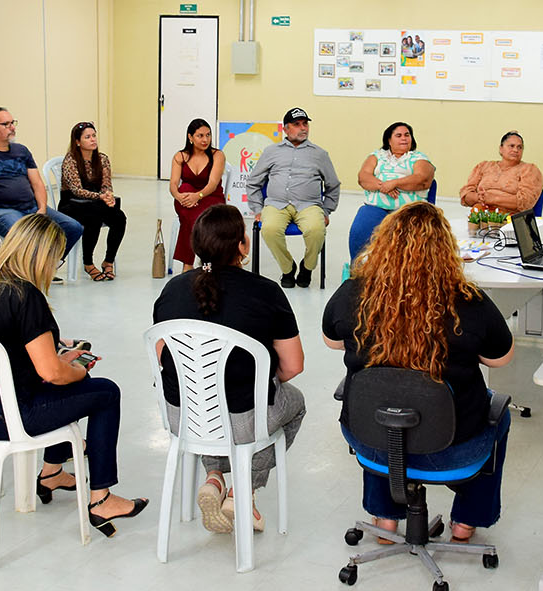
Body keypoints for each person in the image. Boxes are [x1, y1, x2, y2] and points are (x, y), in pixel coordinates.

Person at [322, 202, 514, 544]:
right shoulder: (469, 302)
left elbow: (332, 341)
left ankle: (384, 519)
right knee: (499, 414)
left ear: (381, 245)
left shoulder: (354, 293)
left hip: (370, 443)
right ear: (446, 251)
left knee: (383, 401)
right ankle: (467, 521)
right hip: (452, 448)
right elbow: (500, 358)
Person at [0, 214, 147, 536]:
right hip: (10, 414)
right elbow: (52, 374)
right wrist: (75, 370)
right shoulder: (26, 296)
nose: (56, 266)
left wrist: (55, 347)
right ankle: (101, 499)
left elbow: (9, 336)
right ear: (43, 256)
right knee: (104, 392)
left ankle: (52, 473)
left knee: (76, 387)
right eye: (58, 258)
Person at [152, 205, 306, 534]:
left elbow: (163, 355)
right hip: (242, 419)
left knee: (212, 402)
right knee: (293, 404)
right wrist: (258, 375)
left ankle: (214, 477)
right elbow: (293, 366)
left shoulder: (172, 290)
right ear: (242, 246)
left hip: (184, 416)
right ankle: (241, 492)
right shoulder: (265, 291)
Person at [0, 107, 83, 256]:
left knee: (73, 227)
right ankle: (29, 272)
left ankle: (45, 266)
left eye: (13, 123)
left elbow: (37, 184)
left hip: (31, 207)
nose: (12, 128)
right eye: (6, 124)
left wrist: (41, 209)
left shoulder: (21, 150)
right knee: (25, 235)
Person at [245, 107, 341, 289]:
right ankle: (288, 268)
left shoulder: (319, 154)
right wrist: (258, 209)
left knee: (316, 229)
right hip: (276, 204)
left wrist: (326, 210)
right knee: (269, 229)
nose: (303, 128)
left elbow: (333, 185)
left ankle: (307, 267)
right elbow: (253, 182)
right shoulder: (271, 151)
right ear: (286, 129)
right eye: (297, 124)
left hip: (309, 205)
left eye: (305, 124)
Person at [349, 121, 434, 260]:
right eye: (399, 135)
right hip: (376, 206)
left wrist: (395, 183)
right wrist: (384, 186)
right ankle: (359, 274)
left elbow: (422, 179)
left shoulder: (418, 157)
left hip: (408, 209)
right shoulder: (376, 156)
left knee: (404, 242)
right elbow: (363, 178)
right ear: (389, 140)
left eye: (407, 135)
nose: (404, 138)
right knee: (360, 231)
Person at [60, 121, 127, 281]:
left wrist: (108, 196)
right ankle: (88, 263)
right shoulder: (71, 160)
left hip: (96, 203)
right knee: (94, 217)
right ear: (77, 142)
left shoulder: (102, 159)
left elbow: (106, 184)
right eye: (87, 137)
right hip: (72, 204)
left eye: (94, 136)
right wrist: (101, 197)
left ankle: (108, 261)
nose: (93, 140)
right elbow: (76, 190)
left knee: (119, 217)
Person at [168, 118, 226, 269]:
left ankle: (188, 264)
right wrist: (178, 196)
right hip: (186, 200)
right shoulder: (180, 156)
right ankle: (206, 260)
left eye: (208, 135)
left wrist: (197, 196)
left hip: (210, 197)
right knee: (185, 187)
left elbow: (212, 184)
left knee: (190, 219)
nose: (205, 139)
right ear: (190, 137)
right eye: (200, 136)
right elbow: (173, 184)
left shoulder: (217, 155)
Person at [459, 131, 542, 214]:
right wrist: (479, 197)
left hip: (510, 221)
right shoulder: (484, 166)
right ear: (501, 149)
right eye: (511, 146)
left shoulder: (529, 169)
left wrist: (493, 199)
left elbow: (526, 202)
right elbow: (466, 195)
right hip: (479, 217)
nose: (516, 150)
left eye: (519, 147)